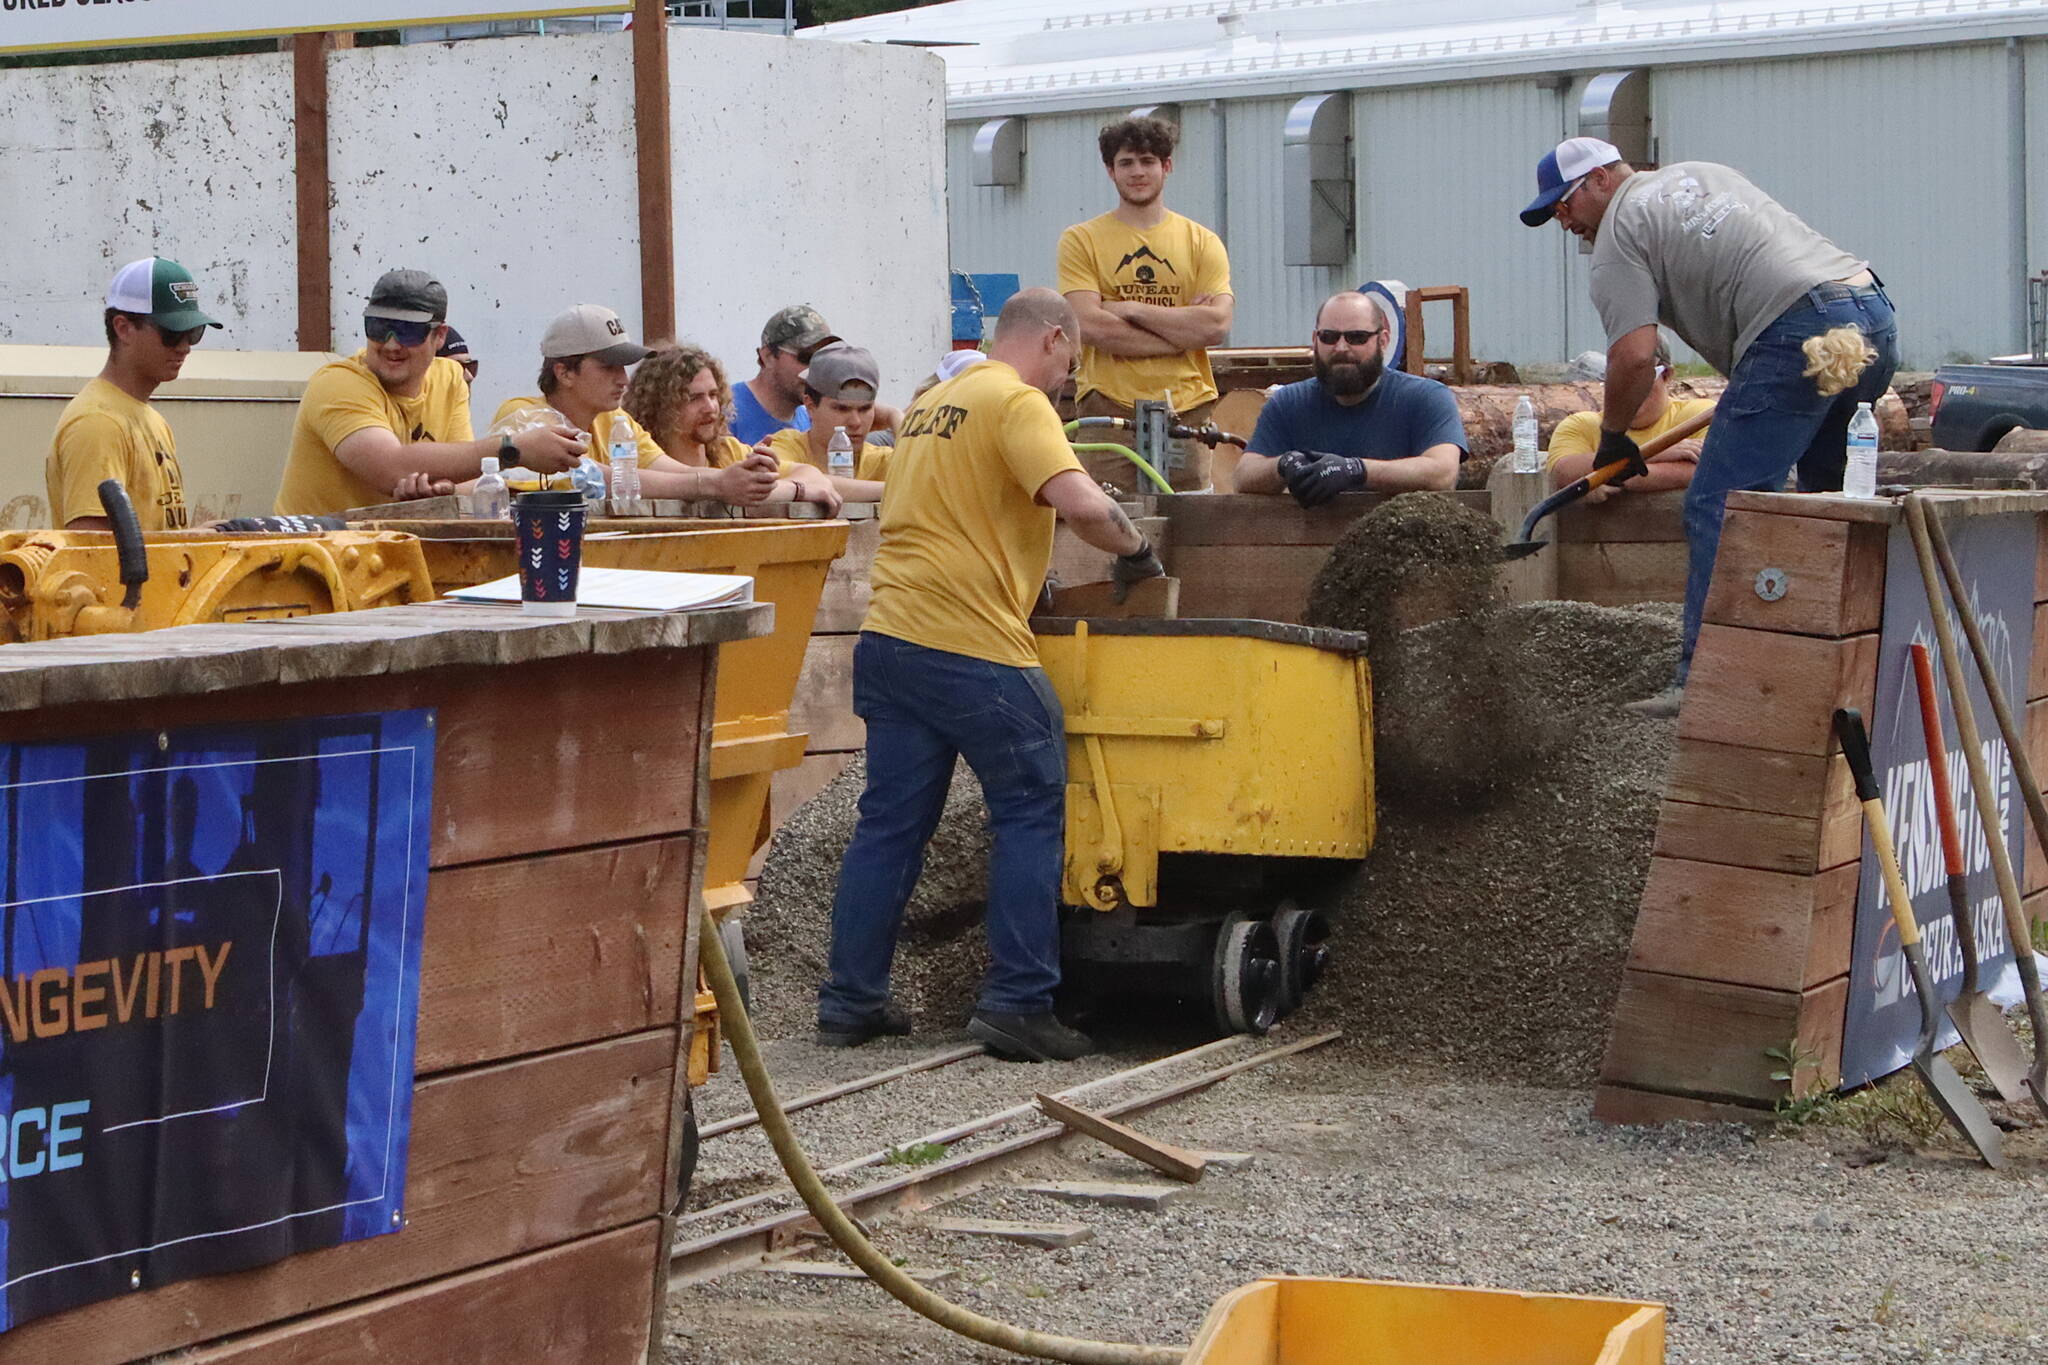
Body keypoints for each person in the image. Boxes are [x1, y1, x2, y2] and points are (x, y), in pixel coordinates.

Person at [818, 288, 1164, 1063]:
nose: (1067, 380)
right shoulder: (1017, 401)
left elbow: (958, 511)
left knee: (890, 824)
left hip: (891, 637)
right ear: (1050, 340)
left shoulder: (935, 403)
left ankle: (851, 1000)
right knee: (1032, 804)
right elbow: (1081, 504)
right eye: (1070, 362)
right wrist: (1136, 548)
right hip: (971, 646)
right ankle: (1018, 1001)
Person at [1521, 137, 1898, 716]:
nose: (1564, 221)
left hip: (1797, 333)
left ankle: (1707, 684)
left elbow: (1633, 358)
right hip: (1868, 312)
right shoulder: (1700, 174)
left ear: (1599, 179)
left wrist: (1615, 435)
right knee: (1830, 499)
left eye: (1565, 204)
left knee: (1719, 507)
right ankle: (1839, 662)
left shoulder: (1620, 233)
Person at [274, 269, 583, 515]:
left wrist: (441, 491)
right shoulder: (337, 382)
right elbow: (390, 467)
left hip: (385, 553)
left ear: (440, 336)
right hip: (313, 554)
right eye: (379, 328)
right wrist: (512, 449)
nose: (392, 344)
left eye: (408, 331)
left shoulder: (449, 378)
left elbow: (471, 480)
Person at [1058, 116, 1233, 493]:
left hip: (1188, 407)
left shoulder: (1202, 241)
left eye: (1148, 161)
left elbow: (1216, 326)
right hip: (1108, 410)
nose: (1138, 172)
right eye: (1126, 163)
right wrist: (1182, 333)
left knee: (1192, 525)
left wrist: (1131, 309)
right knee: (1110, 524)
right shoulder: (1081, 241)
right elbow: (1089, 325)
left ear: (1166, 166)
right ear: (1110, 171)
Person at [490, 304, 797, 505]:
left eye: (624, 367)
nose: (623, 379)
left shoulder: (615, 420)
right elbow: (590, 477)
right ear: (564, 372)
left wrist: (743, 476)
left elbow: (674, 472)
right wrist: (717, 484)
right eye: (608, 367)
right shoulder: (522, 414)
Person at [1232, 291, 1465, 502]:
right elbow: (1244, 476)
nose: (1341, 348)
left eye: (1356, 337)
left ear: (1383, 341)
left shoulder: (1426, 398)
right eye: (1329, 336)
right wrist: (1283, 465)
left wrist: (1356, 470)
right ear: (1315, 340)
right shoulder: (1288, 403)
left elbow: (1442, 473)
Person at [46, 257, 220, 531]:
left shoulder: (152, 420)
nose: (185, 347)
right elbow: (93, 552)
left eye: (194, 332)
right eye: (172, 333)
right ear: (123, 328)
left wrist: (200, 538)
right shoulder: (98, 423)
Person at [621, 344, 814, 509]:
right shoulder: (639, 459)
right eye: (693, 398)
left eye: (713, 395)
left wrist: (764, 484)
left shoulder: (727, 453)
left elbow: (812, 476)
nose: (710, 407)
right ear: (659, 405)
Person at [1547, 332, 1712, 502]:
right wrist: (1655, 454)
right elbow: (1562, 471)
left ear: (1666, 375)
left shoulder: (1699, 417)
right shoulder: (1581, 425)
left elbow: (1709, 471)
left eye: (1644, 376)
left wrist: (1605, 476)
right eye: (1619, 376)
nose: (1630, 388)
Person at [759, 342, 893, 503]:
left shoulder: (881, 459)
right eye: (841, 409)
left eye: (865, 409)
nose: (856, 422)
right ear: (810, 406)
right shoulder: (787, 446)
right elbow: (812, 482)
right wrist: (892, 490)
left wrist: (896, 417)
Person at [731, 305, 838, 446]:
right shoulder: (724, 411)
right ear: (768, 356)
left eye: (823, 359)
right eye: (806, 357)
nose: (816, 370)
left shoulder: (811, 420)